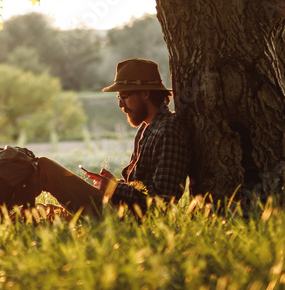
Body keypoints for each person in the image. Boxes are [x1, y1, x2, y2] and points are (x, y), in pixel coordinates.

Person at [30, 58, 191, 218]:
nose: (121, 105)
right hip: (117, 208)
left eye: (124, 96)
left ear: (145, 93)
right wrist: (113, 184)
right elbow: (138, 186)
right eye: (118, 98)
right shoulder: (146, 128)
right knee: (36, 212)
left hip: (129, 217)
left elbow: (162, 200)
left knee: (45, 168)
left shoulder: (169, 130)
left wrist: (114, 188)